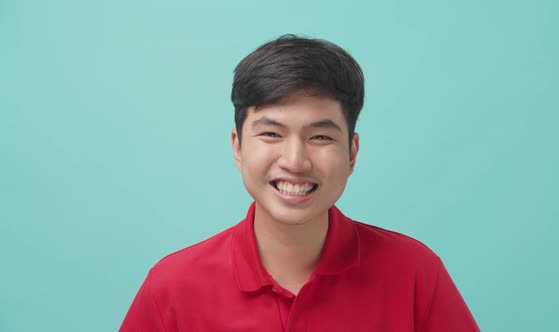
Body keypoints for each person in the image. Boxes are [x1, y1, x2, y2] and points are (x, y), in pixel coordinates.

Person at [120, 34, 480, 331]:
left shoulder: (415, 273)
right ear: (238, 147)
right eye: (272, 134)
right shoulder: (172, 287)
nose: (294, 161)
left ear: (352, 152)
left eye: (320, 137)